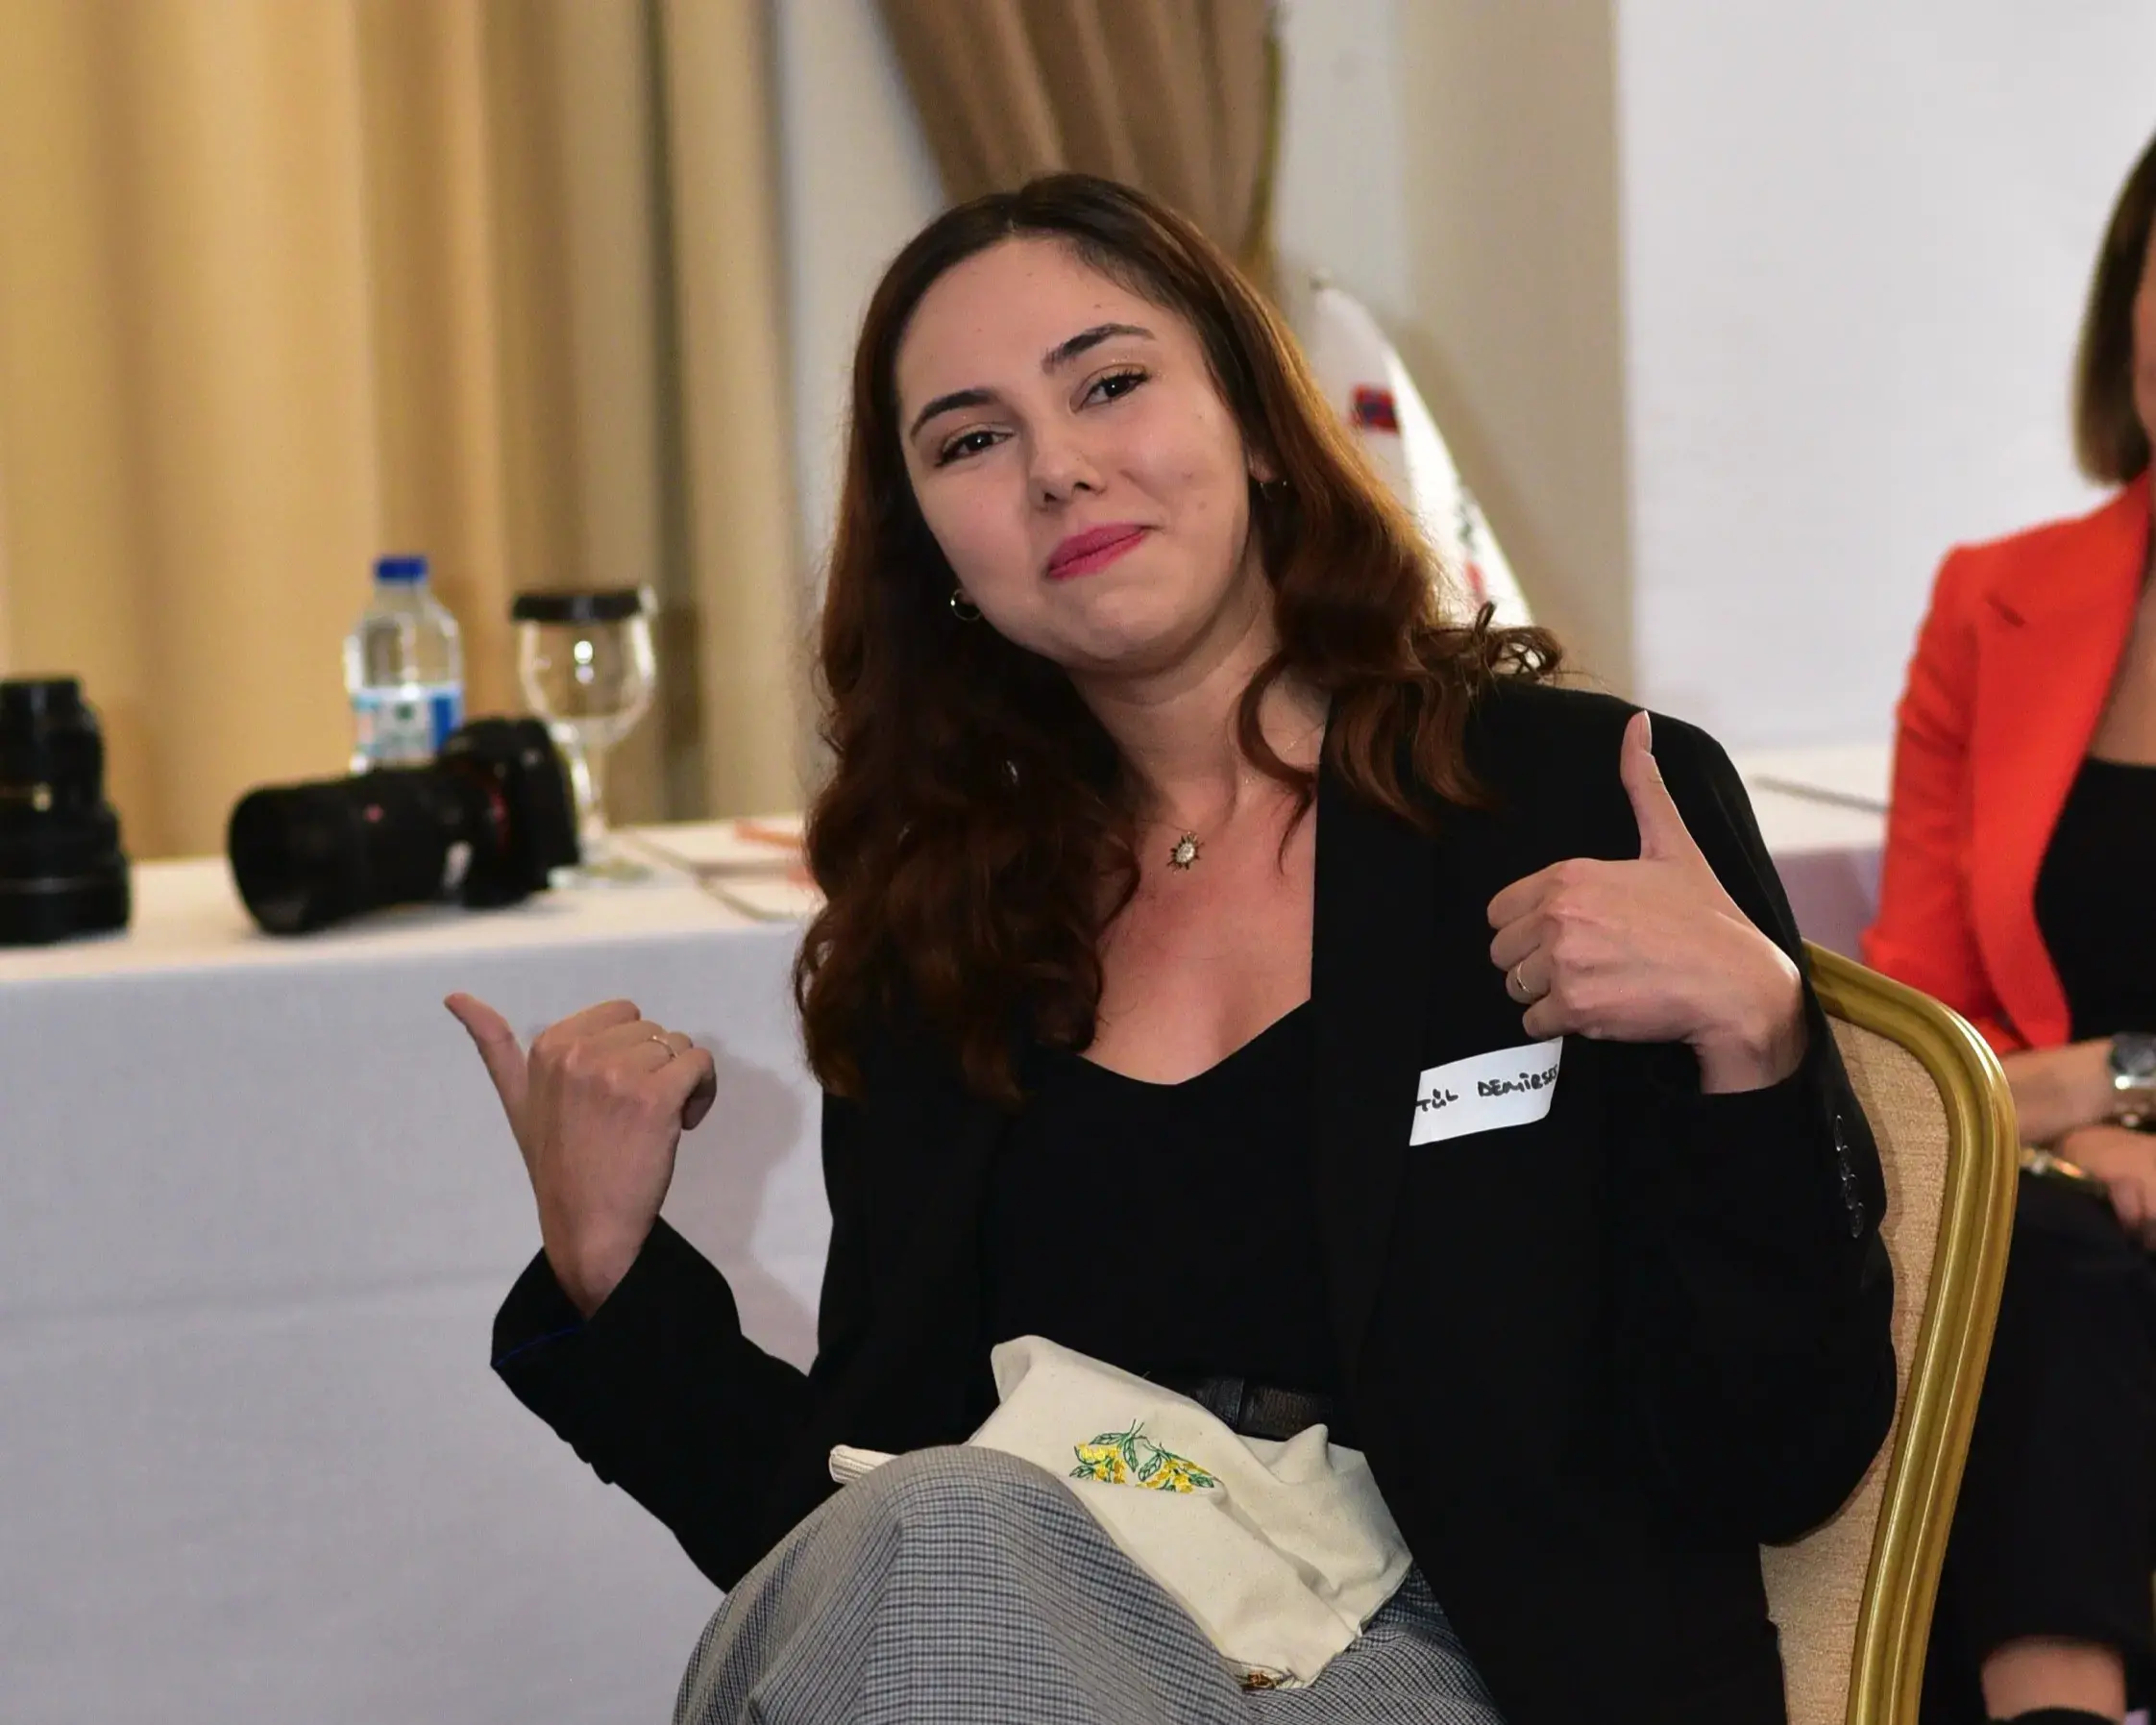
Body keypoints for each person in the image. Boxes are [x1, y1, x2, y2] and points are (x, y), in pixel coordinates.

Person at [451, 174, 1894, 1725]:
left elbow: (1775, 1450)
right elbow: (850, 1542)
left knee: (945, 1531)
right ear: (934, 548)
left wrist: (1756, 1043)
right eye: (971, 440)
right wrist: (615, 1282)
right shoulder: (939, 936)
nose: (1059, 469)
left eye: (1112, 382)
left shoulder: (1568, 798)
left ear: (1261, 427)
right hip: (1051, 1647)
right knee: (936, 1529)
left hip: (1477, 1665)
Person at [1863, 127, 2156, 1725]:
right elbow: (1917, 1025)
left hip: (2073, 1196)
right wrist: (2092, 1114)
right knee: (2032, 1257)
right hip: (2051, 1215)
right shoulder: (1997, 601)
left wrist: (2089, 1086)